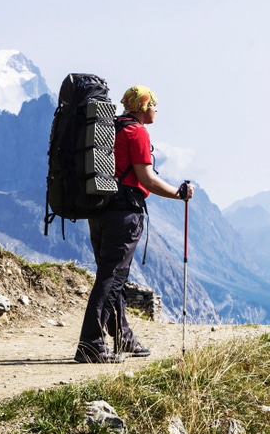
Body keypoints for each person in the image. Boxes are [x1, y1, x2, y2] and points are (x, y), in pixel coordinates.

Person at [75, 85, 193, 364]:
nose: (156, 109)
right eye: (153, 104)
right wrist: (179, 194)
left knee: (111, 275)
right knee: (112, 277)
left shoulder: (111, 127)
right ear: (142, 106)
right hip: (124, 213)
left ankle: (123, 337)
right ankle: (90, 345)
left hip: (99, 211)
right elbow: (147, 178)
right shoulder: (136, 131)